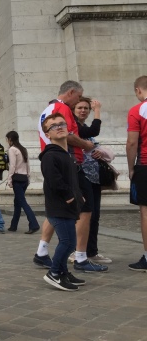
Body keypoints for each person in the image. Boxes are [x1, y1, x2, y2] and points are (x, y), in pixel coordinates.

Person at [34, 81, 108, 273]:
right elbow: (69, 135)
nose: (77, 103)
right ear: (72, 92)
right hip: (69, 161)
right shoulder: (62, 109)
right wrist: (87, 146)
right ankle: (80, 257)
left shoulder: (49, 108)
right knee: (85, 209)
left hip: (56, 159)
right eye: (78, 98)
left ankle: (42, 252)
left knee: (55, 211)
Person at [39, 113, 86, 291]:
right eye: (53, 126)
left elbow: (71, 179)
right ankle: (54, 273)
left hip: (68, 205)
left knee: (68, 241)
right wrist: (69, 196)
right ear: (48, 134)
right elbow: (55, 180)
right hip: (60, 206)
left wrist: (78, 195)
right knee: (67, 242)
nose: (59, 127)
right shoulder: (50, 156)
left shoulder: (66, 154)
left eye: (61, 124)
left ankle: (63, 272)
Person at [73, 97, 112, 264]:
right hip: (82, 176)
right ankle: (77, 251)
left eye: (86, 108)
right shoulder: (75, 128)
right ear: (73, 111)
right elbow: (95, 131)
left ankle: (92, 251)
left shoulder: (84, 128)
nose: (83, 111)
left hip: (95, 179)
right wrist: (98, 110)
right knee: (83, 216)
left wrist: (99, 153)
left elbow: (99, 145)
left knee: (94, 216)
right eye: (80, 108)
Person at [127, 76, 147, 271]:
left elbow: (132, 142)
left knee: (146, 211)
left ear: (138, 90)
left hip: (145, 164)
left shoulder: (137, 110)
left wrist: (131, 167)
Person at [5, 131, 39, 233]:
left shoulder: (12, 149)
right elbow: (28, 164)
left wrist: (9, 179)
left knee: (22, 202)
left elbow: (12, 165)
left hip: (17, 179)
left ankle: (34, 224)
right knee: (17, 202)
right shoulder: (23, 149)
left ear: (10, 139)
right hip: (24, 178)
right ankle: (13, 225)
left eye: (7, 139)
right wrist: (28, 176)